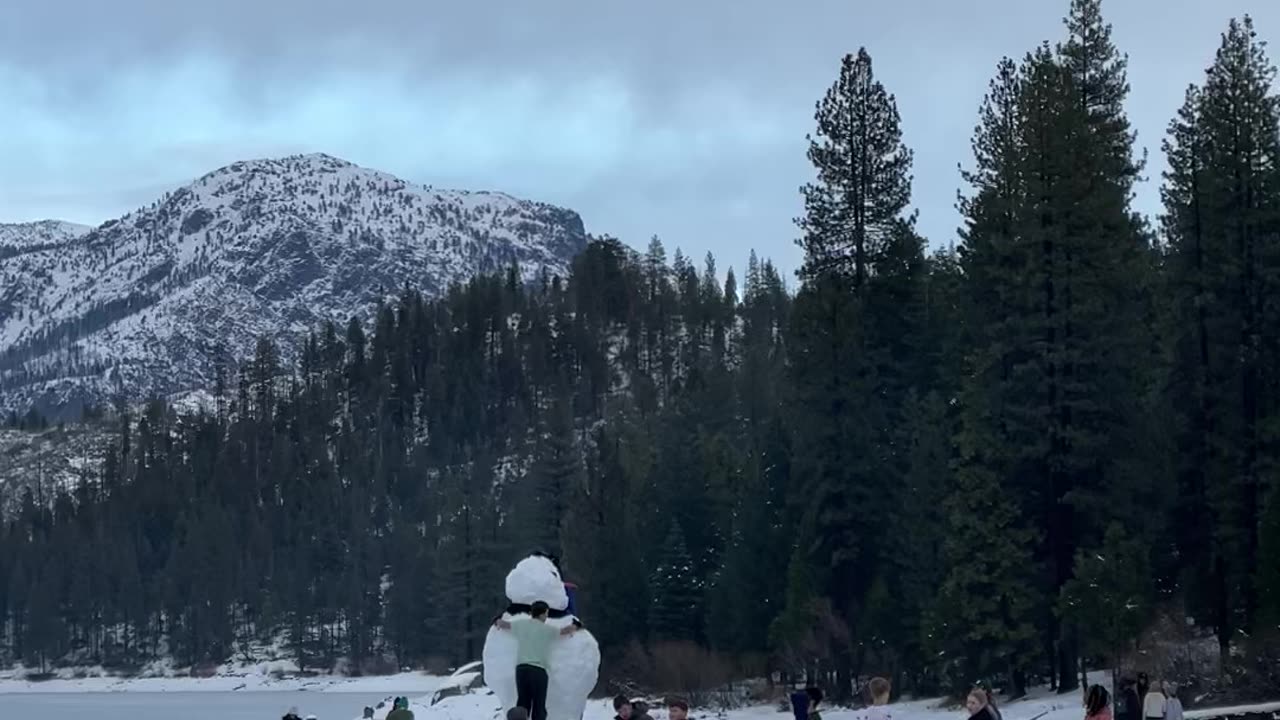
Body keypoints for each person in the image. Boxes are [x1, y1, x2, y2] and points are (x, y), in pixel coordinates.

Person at [494, 600, 579, 720]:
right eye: (546, 613)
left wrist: (497, 620)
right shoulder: (547, 629)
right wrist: (575, 626)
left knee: (523, 704)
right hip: (538, 671)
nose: (547, 616)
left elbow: (504, 625)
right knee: (539, 706)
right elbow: (564, 631)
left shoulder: (521, 624)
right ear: (543, 613)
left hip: (521, 670)